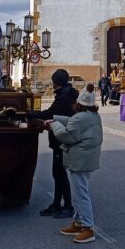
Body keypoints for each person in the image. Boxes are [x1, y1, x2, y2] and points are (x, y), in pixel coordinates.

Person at [45, 85, 103, 244]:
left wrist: (53, 124)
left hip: (80, 160)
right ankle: (78, 223)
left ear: (79, 103)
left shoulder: (80, 118)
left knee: (80, 194)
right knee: (79, 191)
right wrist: (56, 118)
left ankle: (88, 228)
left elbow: (66, 135)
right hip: (86, 158)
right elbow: (72, 122)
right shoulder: (92, 115)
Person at [29, 69, 78, 218]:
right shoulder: (67, 93)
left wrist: (32, 113)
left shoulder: (64, 96)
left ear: (55, 82)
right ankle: (57, 204)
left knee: (60, 173)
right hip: (60, 137)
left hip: (61, 138)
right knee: (58, 173)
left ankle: (67, 205)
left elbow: (51, 113)